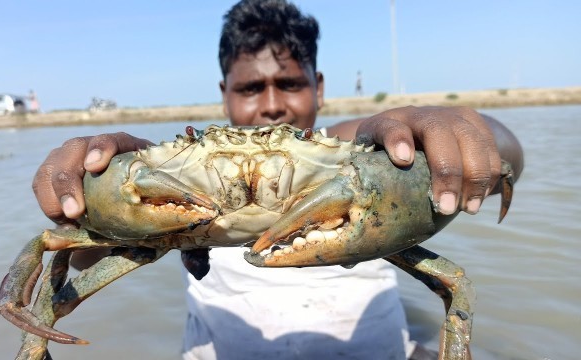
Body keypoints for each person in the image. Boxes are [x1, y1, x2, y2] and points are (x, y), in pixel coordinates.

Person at [32, 1, 524, 359]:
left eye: (289, 84)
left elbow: (506, 154)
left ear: (319, 87)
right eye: (250, 88)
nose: (270, 105)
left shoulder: (362, 151)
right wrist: (84, 187)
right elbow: (77, 254)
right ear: (225, 94)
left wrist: (453, 125)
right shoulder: (168, 167)